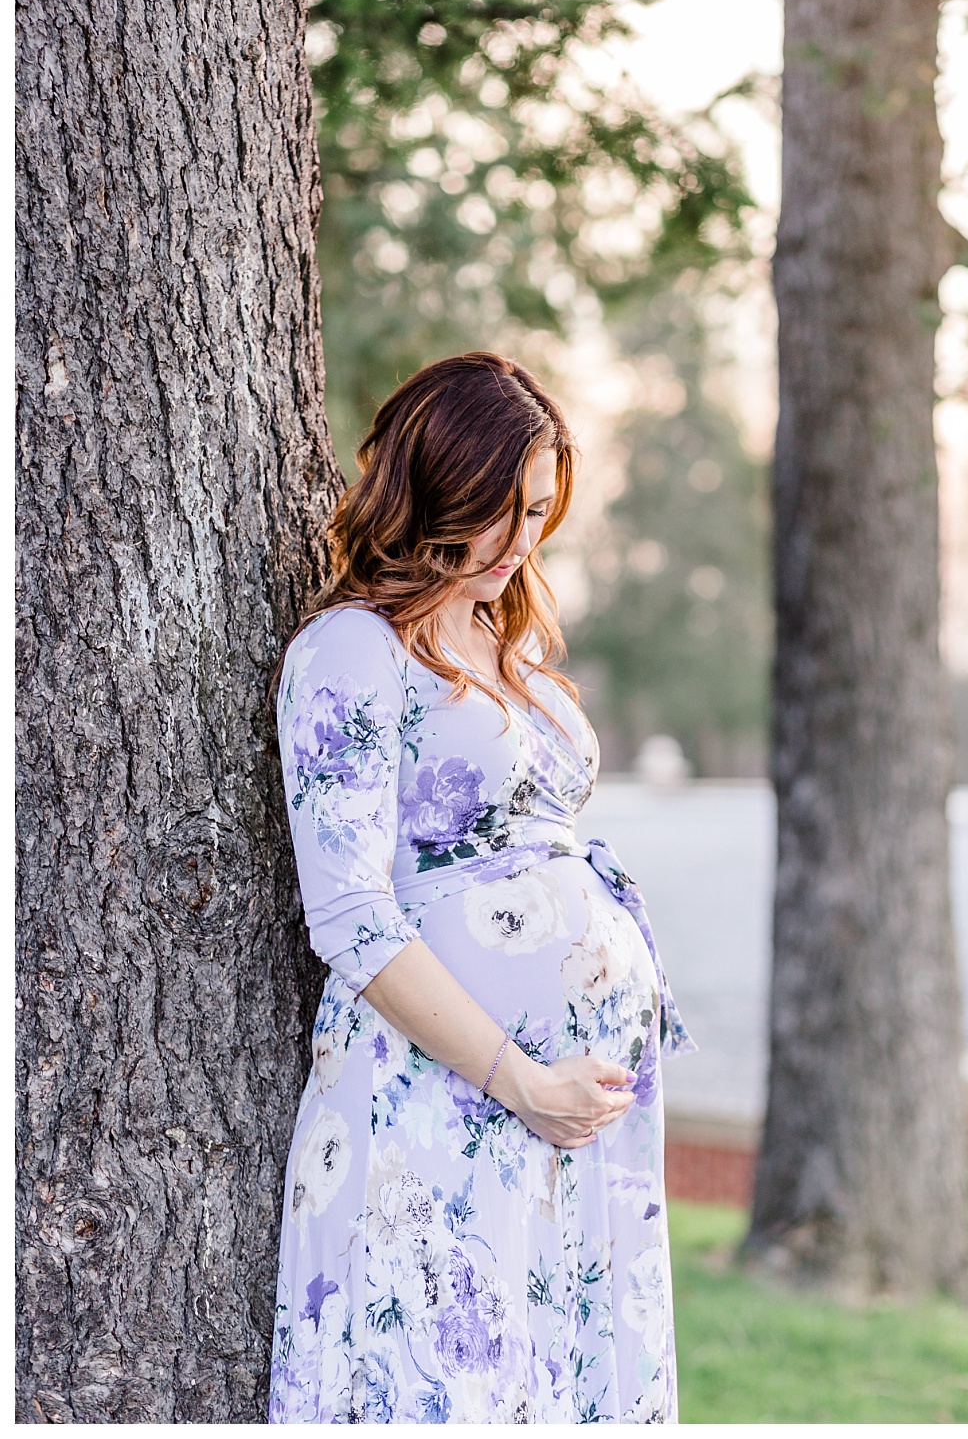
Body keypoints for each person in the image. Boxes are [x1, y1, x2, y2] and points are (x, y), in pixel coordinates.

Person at [268, 352, 695, 1424]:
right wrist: (522, 1080)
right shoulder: (351, 650)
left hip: (567, 1125)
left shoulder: (510, 643)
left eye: (539, 512)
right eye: (493, 512)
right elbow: (353, 918)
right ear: (430, 487)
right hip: (439, 1102)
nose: (518, 543)